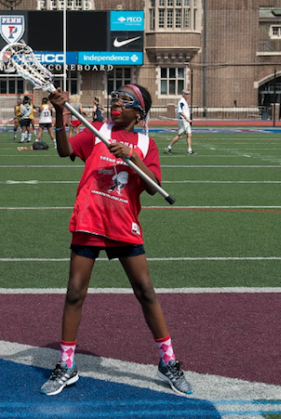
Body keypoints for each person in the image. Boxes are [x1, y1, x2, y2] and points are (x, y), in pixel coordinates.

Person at [41, 84, 193, 398]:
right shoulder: (97, 130)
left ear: (139, 112)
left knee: (146, 291)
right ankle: (67, 364)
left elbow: (153, 187)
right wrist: (59, 112)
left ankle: (168, 361)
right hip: (90, 220)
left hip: (124, 224)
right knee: (74, 292)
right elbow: (64, 150)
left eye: (126, 101)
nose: (117, 104)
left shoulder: (145, 143)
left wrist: (133, 157)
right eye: (116, 99)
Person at [166, 89, 194, 155]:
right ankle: (169, 147)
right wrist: (187, 118)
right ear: (183, 94)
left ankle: (189, 150)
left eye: (189, 94)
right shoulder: (181, 102)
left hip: (186, 121)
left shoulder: (184, 102)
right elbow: (180, 111)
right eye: (187, 94)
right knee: (180, 136)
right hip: (183, 121)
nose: (188, 96)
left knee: (189, 135)